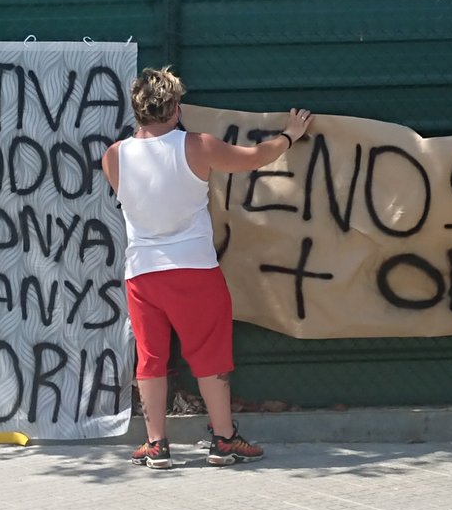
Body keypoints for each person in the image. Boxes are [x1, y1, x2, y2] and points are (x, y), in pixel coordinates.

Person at [102, 66, 313, 469]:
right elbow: (255, 157)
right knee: (210, 354)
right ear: (176, 106)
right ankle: (224, 440)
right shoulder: (197, 145)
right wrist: (290, 134)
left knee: (150, 358)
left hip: (142, 272)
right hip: (194, 267)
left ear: (137, 109)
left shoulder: (114, 156)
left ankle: (156, 445)